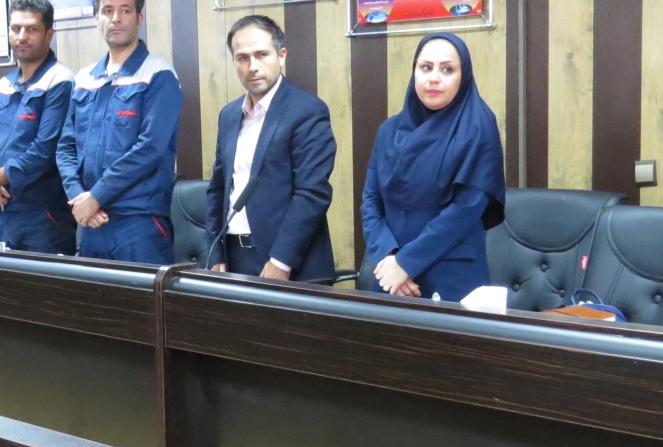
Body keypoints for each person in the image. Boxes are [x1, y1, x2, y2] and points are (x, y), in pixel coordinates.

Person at [360, 32, 506, 301]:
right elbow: (370, 200)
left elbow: (468, 207)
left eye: (447, 69)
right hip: (391, 276)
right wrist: (390, 257)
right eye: (425, 67)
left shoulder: (478, 126)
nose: (434, 78)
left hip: (451, 275)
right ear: (414, 72)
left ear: (464, 76)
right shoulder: (389, 130)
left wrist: (406, 262)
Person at [57, 0, 183, 265]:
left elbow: (150, 148)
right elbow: (65, 147)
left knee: (142, 297)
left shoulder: (159, 75)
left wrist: (96, 196)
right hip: (90, 220)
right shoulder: (85, 78)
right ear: (97, 19)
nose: (115, 18)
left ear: (139, 18)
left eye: (125, 10)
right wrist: (79, 197)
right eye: (107, 10)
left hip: (139, 222)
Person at [205, 15, 337, 280]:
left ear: (282, 55)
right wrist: (215, 252)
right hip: (232, 257)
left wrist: (281, 261)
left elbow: (312, 193)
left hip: (288, 263)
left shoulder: (307, 110)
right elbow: (218, 188)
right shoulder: (229, 115)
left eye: (262, 55)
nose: (252, 66)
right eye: (242, 58)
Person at [0, 0, 77, 254]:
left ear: (49, 34)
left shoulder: (60, 80)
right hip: (1, 210)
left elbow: (44, 151)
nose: (22, 36)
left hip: (43, 216)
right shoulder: (5, 84)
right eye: (16, 28)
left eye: (31, 29)